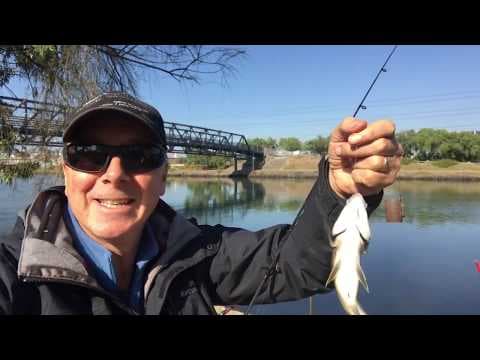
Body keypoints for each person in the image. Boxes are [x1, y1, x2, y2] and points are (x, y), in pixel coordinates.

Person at [0, 92, 403, 315]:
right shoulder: (11, 276)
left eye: (141, 155)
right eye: (89, 153)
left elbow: (296, 265)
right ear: (65, 169)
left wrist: (338, 189)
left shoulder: (197, 252)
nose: (114, 173)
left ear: (164, 176)